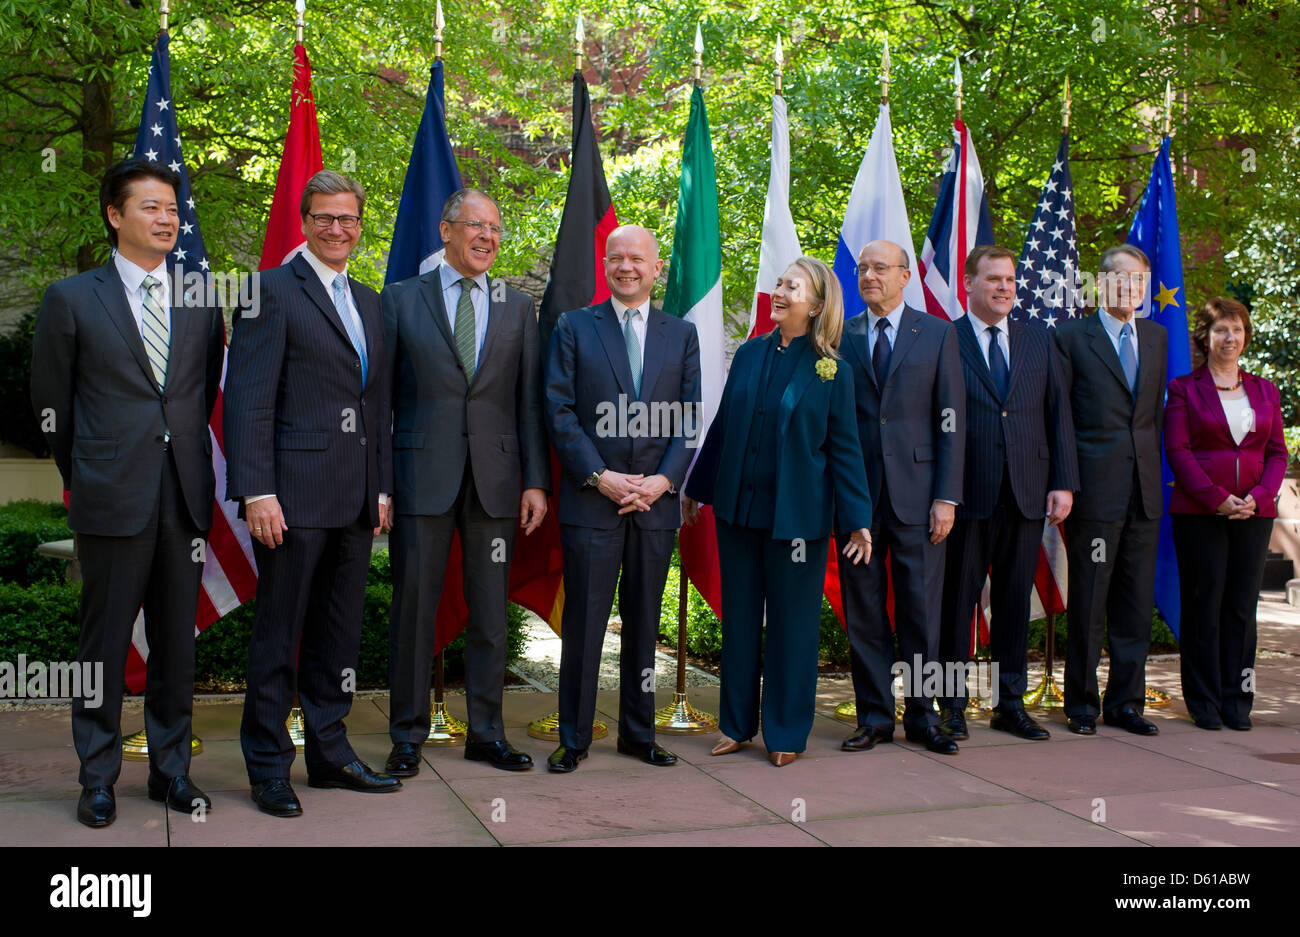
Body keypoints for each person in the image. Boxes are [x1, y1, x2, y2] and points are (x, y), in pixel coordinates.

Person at [31, 158, 224, 828]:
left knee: (177, 644)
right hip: (111, 494)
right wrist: (87, 471)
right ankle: (98, 777)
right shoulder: (71, 298)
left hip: (185, 498)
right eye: (150, 207)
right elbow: (51, 403)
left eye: (172, 208)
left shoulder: (200, 294)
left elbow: (201, 392)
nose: (167, 218)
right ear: (115, 215)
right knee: (105, 645)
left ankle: (172, 771)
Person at [225, 170, 398, 817]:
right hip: (291, 501)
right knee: (279, 637)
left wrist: (381, 488)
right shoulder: (268, 291)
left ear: (359, 225)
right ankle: (269, 766)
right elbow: (247, 399)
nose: (336, 229)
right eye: (325, 217)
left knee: (337, 637)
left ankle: (330, 754)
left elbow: (374, 404)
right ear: (305, 220)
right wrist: (256, 490)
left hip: (355, 504)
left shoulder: (370, 301)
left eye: (348, 219)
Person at [382, 188, 549, 775]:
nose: (487, 237)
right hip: (420, 477)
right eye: (475, 225)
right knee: (414, 611)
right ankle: (406, 735)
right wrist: (381, 484)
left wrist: (535, 480)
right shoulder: (400, 301)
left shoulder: (515, 307)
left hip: (497, 482)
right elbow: (379, 401)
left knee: (489, 613)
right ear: (446, 231)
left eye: (496, 228)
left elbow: (529, 401)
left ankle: (486, 733)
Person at [685, 257, 872, 767]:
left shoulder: (833, 370)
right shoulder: (748, 355)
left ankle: (786, 732)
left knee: (792, 627)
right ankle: (736, 726)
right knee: (739, 622)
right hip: (737, 514)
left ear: (815, 306)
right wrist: (695, 488)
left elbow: (845, 450)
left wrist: (858, 518)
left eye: (794, 285)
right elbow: (722, 426)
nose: (781, 290)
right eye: (780, 282)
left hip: (798, 521)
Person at [543, 224, 700, 773]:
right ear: (605, 265)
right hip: (593, 502)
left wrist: (662, 482)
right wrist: (600, 476)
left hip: (654, 505)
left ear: (657, 268)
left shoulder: (681, 334)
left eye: (638, 259)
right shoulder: (574, 327)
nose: (626, 267)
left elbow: (688, 417)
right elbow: (558, 412)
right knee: (584, 625)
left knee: (643, 625)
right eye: (617, 258)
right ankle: (575, 737)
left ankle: (639, 733)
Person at [937, 245, 1079, 741]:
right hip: (966, 495)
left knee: (1015, 602)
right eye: (993, 279)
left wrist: (1063, 481)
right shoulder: (944, 339)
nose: (1004, 288)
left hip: (1026, 491)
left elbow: (1058, 414)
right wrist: (942, 492)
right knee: (957, 603)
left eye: (1010, 280)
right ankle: (951, 703)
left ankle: (1008, 703)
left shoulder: (1039, 340)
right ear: (968, 283)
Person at [837, 240, 966, 755]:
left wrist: (947, 497)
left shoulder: (937, 334)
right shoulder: (839, 336)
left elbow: (952, 422)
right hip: (857, 500)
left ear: (905, 276)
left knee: (920, 612)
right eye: (863, 268)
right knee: (864, 611)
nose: (869, 275)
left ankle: (923, 716)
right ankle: (873, 716)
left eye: (880, 268)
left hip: (920, 500)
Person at [1053, 244, 1166, 736]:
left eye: (1141, 280)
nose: (1134, 289)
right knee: (1090, 601)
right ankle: (1081, 704)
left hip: (1144, 491)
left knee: (1136, 605)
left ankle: (1127, 703)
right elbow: (1059, 418)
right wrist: (1064, 483)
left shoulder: (1157, 338)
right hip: (1093, 492)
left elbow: (1152, 420)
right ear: (1100, 283)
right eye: (1124, 278)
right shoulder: (1072, 336)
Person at [1165, 297, 1287, 730]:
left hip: (1255, 514)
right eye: (1220, 330)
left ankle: (1239, 700)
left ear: (1245, 336)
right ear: (1205, 337)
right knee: (1204, 604)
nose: (1229, 338)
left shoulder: (1265, 390)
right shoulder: (1184, 389)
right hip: (1200, 514)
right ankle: (1204, 700)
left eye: (1236, 329)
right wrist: (1216, 498)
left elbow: (1276, 452)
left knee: (1241, 608)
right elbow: (1178, 450)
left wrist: (1260, 495)